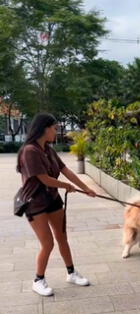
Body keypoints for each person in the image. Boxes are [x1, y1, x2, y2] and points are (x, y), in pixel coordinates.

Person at [16, 113, 97, 296]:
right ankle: (38, 280)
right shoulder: (29, 151)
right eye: (54, 128)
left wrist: (86, 188)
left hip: (52, 199)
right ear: (45, 128)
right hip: (34, 203)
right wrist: (66, 186)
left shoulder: (48, 150)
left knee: (62, 238)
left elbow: (65, 170)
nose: (56, 131)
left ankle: (71, 273)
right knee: (48, 243)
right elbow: (43, 179)